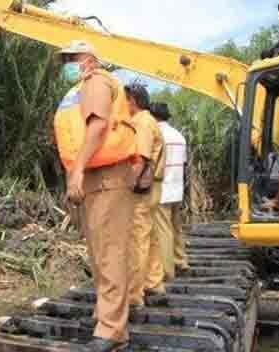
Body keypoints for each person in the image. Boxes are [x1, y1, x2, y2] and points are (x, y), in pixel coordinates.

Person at [53, 40, 136, 351]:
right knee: (100, 252)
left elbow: (98, 126)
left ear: (87, 58)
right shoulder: (79, 90)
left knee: (110, 252)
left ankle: (113, 330)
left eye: (71, 58)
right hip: (95, 179)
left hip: (107, 177)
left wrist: (77, 170)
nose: (67, 64)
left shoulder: (97, 82)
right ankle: (106, 315)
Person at [125, 83, 167, 308]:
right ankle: (154, 283)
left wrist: (127, 187)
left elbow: (139, 159)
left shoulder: (141, 122)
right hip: (152, 188)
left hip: (141, 191)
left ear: (132, 100)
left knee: (137, 239)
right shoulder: (150, 121)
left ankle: (134, 293)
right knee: (149, 238)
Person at [150, 102, 189, 280]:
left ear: (152, 116)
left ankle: (167, 270)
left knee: (163, 230)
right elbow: (184, 163)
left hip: (162, 188)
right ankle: (181, 261)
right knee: (176, 226)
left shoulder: (157, 135)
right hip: (177, 187)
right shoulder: (179, 136)